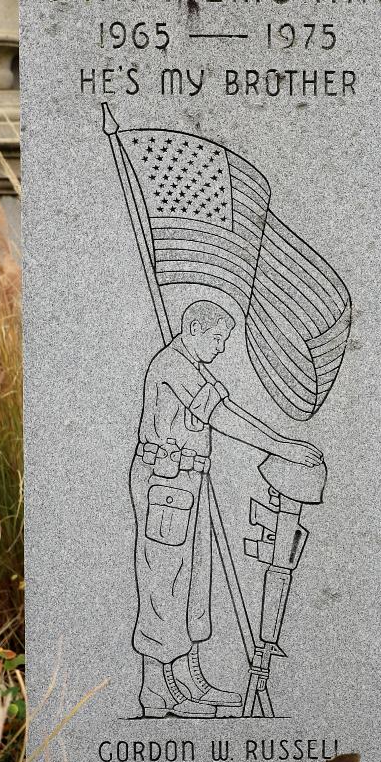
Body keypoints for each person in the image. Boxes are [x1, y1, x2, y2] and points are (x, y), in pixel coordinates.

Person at [130, 299, 323, 718]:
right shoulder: (174, 365)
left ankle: (187, 679)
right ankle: (155, 688)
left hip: (188, 481)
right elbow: (223, 416)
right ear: (195, 327)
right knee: (165, 581)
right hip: (166, 484)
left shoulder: (193, 366)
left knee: (195, 582)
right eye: (217, 338)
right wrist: (281, 445)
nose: (220, 347)